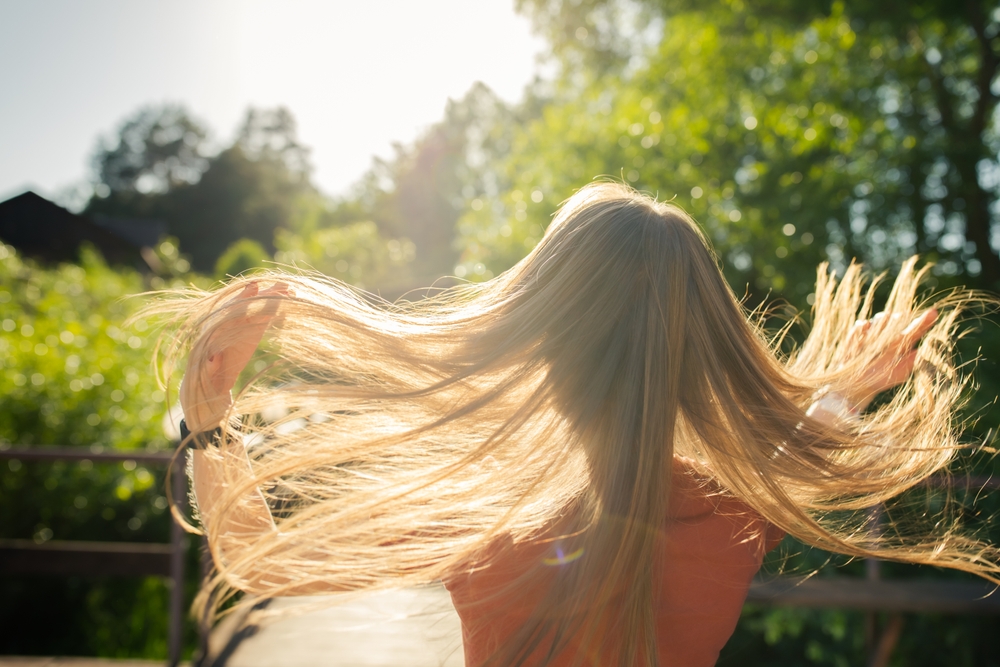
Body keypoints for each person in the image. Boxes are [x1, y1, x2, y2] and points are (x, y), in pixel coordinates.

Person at [152, 182, 998, 666]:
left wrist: (209, 418)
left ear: (542, 335)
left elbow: (257, 560)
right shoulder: (735, 511)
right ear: (700, 351)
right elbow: (796, 445)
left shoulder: (489, 513)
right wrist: (847, 391)